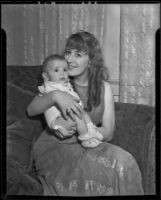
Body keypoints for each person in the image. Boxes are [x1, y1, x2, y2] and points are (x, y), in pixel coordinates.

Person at [27, 31, 144, 196]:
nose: (69, 59)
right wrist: (55, 96)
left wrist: (89, 132)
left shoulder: (105, 88)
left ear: (91, 60)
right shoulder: (59, 82)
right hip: (55, 148)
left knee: (125, 162)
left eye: (78, 54)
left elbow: (108, 132)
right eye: (68, 52)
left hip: (89, 142)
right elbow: (31, 110)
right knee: (94, 167)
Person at [38, 54, 103, 147]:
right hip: (58, 121)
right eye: (56, 70)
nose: (62, 73)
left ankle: (91, 129)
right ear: (46, 76)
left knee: (83, 113)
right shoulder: (49, 87)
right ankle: (85, 138)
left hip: (68, 115)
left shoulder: (65, 84)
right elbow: (41, 101)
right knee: (77, 116)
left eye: (65, 70)